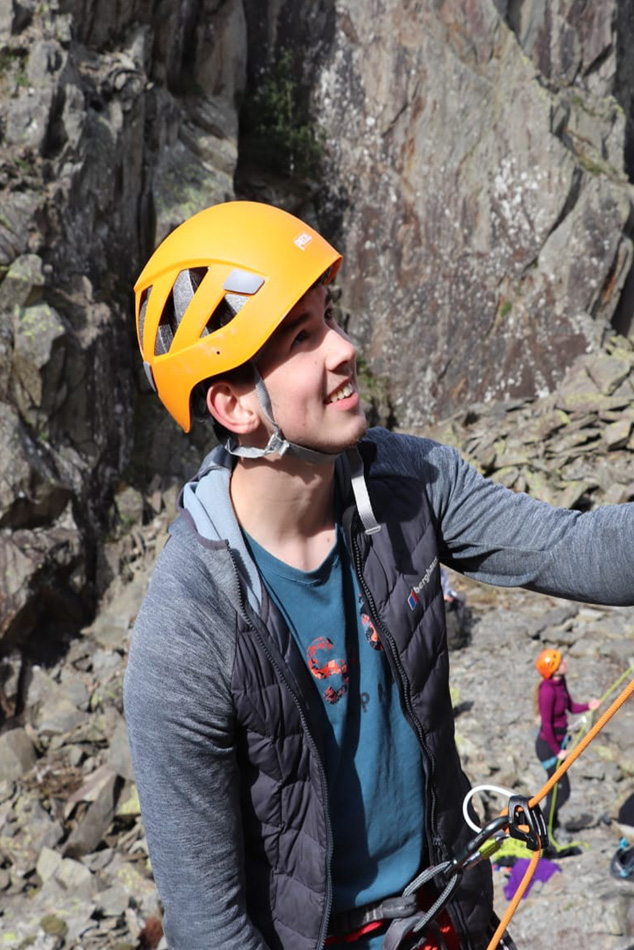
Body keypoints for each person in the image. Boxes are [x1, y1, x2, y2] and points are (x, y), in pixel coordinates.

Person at [122, 200, 634, 950]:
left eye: (329, 318)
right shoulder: (186, 633)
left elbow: (572, 548)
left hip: (449, 920)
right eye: (302, 338)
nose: (344, 348)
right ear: (234, 405)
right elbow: (210, 923)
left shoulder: (411, 481)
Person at [534, 649, 600, 835]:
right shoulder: (547, 691)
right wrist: (558, 752)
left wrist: (589, 706)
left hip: (558, 744)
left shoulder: (560, 683)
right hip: (549, 747)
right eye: (561, 662)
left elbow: (570, 706)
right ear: (553, 669)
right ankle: (541, 831)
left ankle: (549, 830)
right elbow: (546, 724)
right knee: (561, 793)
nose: (565, 662)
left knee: (557, 792)